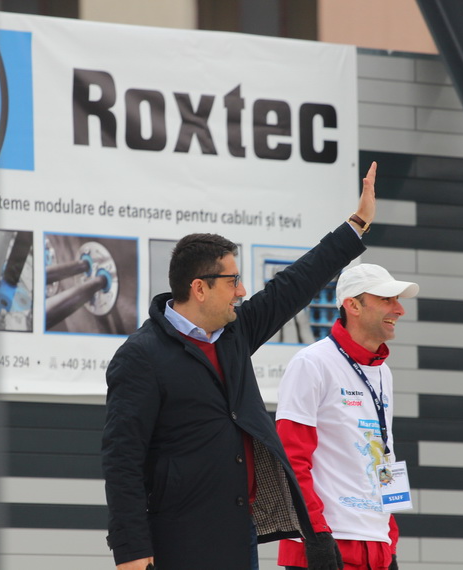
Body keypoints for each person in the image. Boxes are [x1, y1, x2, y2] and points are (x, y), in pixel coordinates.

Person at [101, 163, 379, 570]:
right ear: (199, 288)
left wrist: (356, 225)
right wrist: (131, 551)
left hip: (238, 533)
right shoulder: (142, 356)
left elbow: (295, 284)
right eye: (232, 281)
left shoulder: (235, 333)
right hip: (177, 540)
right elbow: (122, 459)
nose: (242, 291)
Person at [275, 263, 419, 570]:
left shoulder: (383, 372)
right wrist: (316, 536)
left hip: (376, 546)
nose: (399, 310)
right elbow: (290, 459)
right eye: (386, 299)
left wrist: (390, 540)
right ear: (353, 305)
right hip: (326, 544)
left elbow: (383, 457)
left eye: (397, 300)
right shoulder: (312, 363)